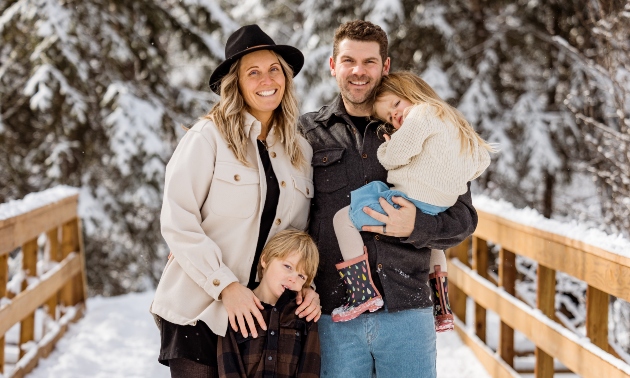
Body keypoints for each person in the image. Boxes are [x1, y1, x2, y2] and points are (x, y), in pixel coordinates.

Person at [298, 20, 479, 378]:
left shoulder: (425, 131)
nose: (358, 71)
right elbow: (278, 208)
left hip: (407, 313)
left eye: (369, 62)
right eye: (349, 60)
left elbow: (463, 220)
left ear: (385, 66)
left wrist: (417, 225)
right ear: (333, 65)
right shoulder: (307, 132)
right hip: (335, 315)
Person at [150, 24, 321, 378]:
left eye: (274, 69)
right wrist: (227, 287)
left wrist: (308, 287)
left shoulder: (300, 151)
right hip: (199, 309)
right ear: (237, 84)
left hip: (262, 319)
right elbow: (177, 222)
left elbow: (298, 238)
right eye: (253, 72)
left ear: (286, 78)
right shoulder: (207, 138)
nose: (266, 80)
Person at [331, 71, 494, 332]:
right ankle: (442, 305)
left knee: (343, 219)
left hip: (410, 201)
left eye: (396, 105)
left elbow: (393, 157)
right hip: (438, 207)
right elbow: (480, 163)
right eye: (388, 117)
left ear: (414, 92)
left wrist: (386, 147)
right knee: (430, 242)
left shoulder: (422, 113)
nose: (395, 117)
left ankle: (362, 292)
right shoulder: (455, 125)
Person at [217, 229, 321, 378]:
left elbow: (309, 369)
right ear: (265, 259)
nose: (293, 278)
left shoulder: (305, 315)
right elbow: (229, 366)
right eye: (287, 266)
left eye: (301, 276)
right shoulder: (238, 308)